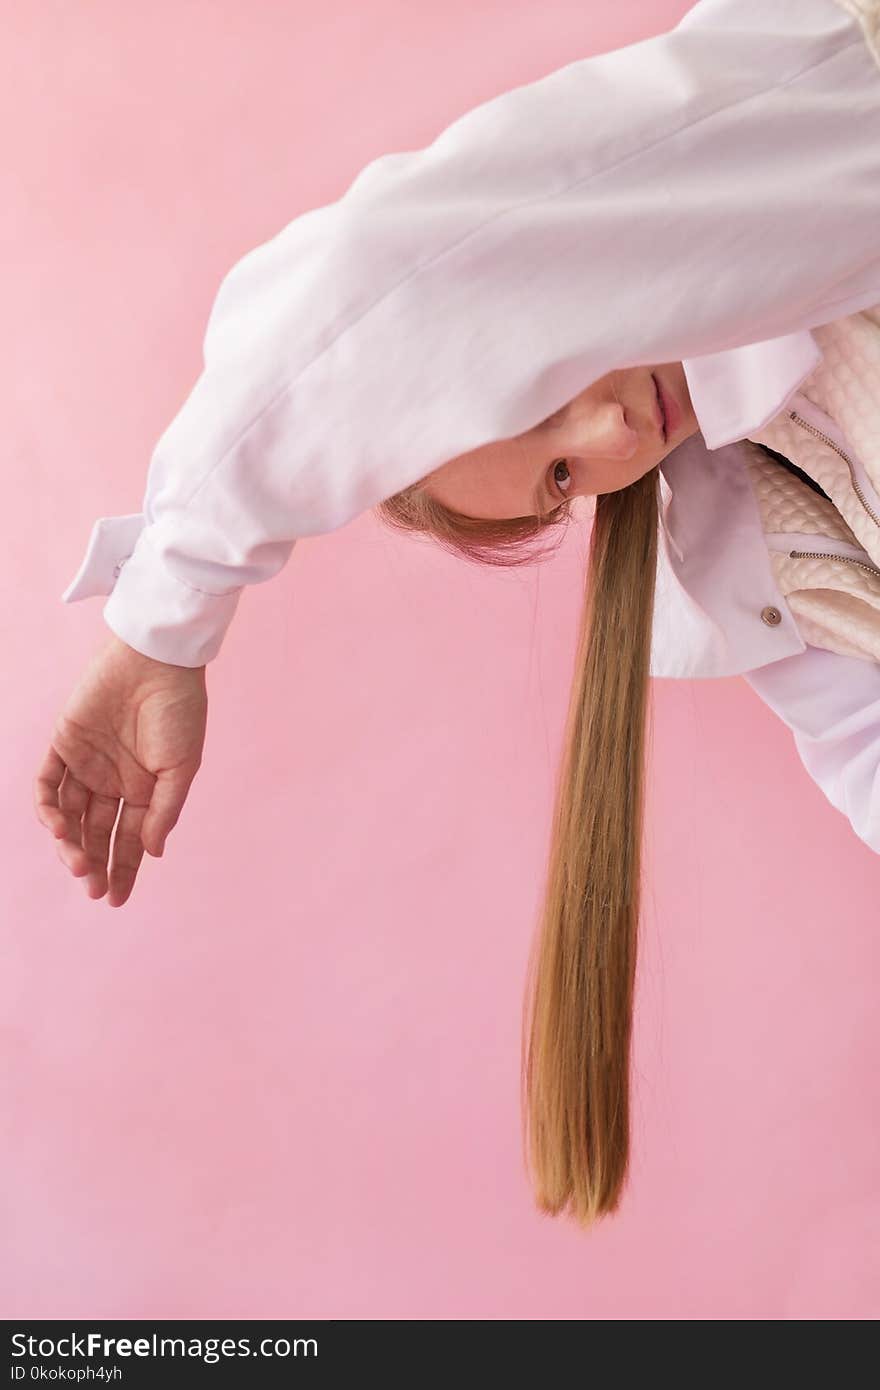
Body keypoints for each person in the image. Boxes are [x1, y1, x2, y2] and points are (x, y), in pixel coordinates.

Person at [33, 0, 880, 1229]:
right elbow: (862, 741)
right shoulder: (760, 531)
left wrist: (160, 628)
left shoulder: (773, 154)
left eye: (538, 391)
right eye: (555, 478)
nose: (603, 439)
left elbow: (367, 286)